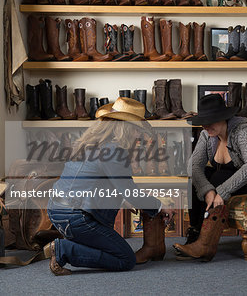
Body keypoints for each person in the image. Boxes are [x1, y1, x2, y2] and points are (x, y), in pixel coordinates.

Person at [45, 97, 176, 276]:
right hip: (76, 217)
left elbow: (96, 183)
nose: (139, 136)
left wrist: (127, 199)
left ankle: (69, 245)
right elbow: (129, 190)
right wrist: (160, 206)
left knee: (108, 247)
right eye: (137, 129)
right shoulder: (114, 149)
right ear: (127, 128)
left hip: (56, 210)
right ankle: (64, 249)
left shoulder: (90, 143)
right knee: (125, 259)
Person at [173, 94, 247, 261]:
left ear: (224, 118)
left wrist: (221, 192)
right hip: (230, 180)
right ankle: (195, 236)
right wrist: (208, 191)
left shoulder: (242, 131)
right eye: (203, 121)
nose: (206, 126)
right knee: (197, 178)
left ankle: (204, 244)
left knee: (218, 177)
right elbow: (193, 166)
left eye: (211, 120)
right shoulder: (207, 134)